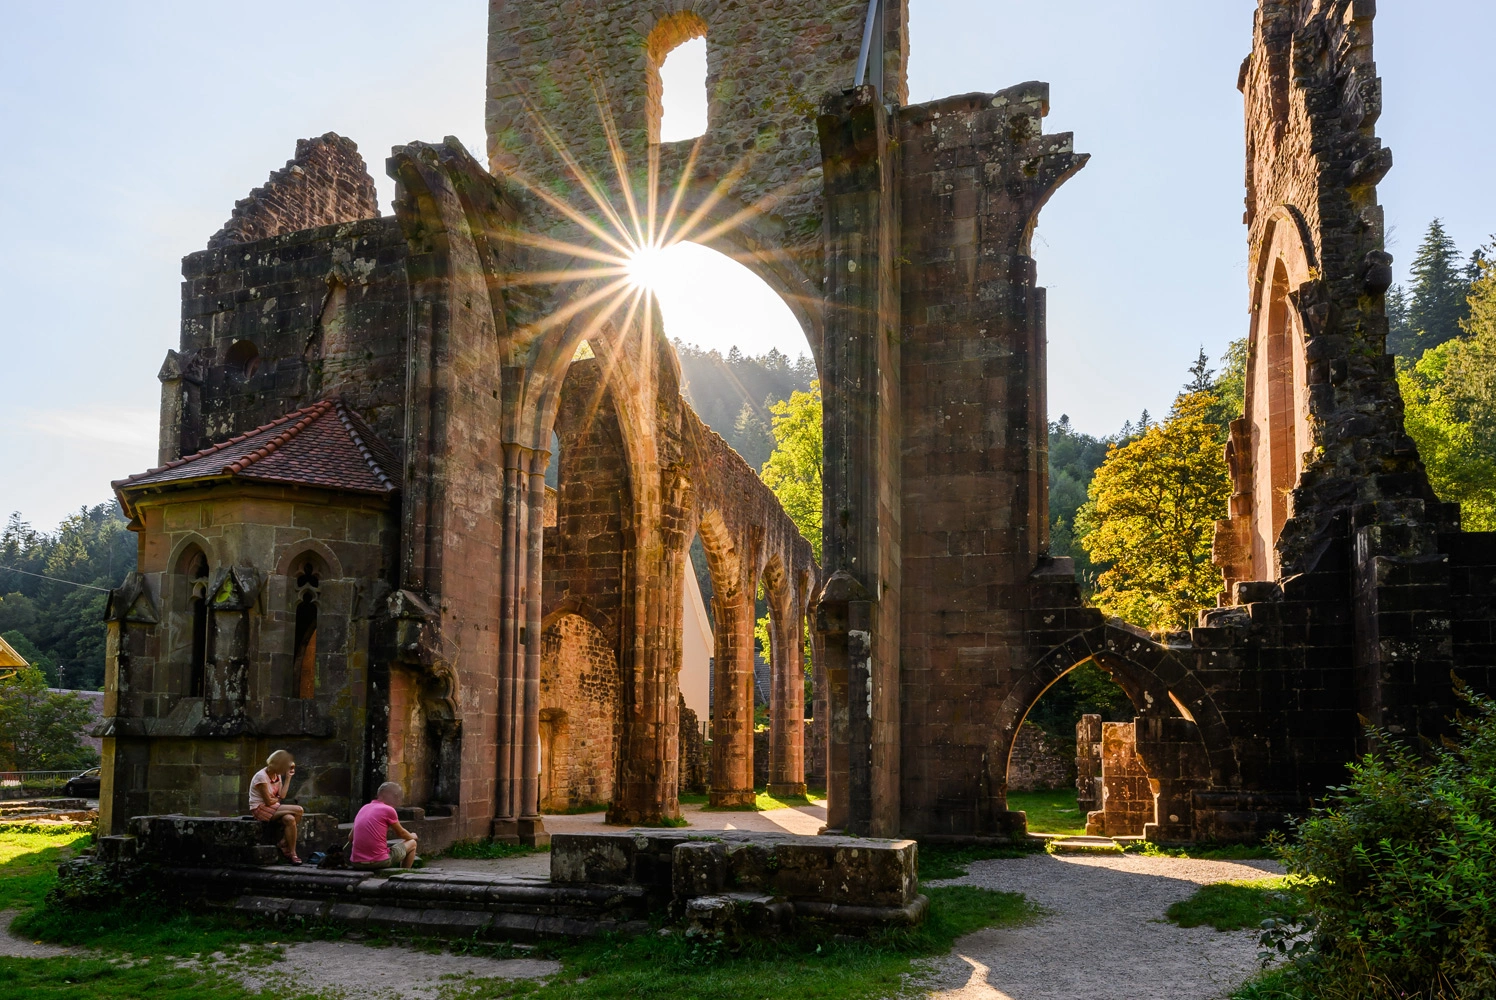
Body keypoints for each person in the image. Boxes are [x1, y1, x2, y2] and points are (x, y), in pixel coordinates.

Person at [249, 749, 304, 865]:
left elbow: (282, 795)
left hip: (273, 807)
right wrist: (276, 799)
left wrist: (288, 778)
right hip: (260, 809)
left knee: (290, 819)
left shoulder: (277, 776)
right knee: (299, 810)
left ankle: (290, 851)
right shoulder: (261, 777)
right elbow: (268, 802)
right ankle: (285, 845)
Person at [349, 781, 419, 871]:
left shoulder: (364, 808)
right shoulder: (388, 809)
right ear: (392, 796)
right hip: (379, 861)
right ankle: (404, 872)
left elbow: (350, 838)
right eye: (397, 798)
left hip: (356, 862)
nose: (398, 801)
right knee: (412, 843)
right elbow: (401, 833)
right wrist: (412, 835)